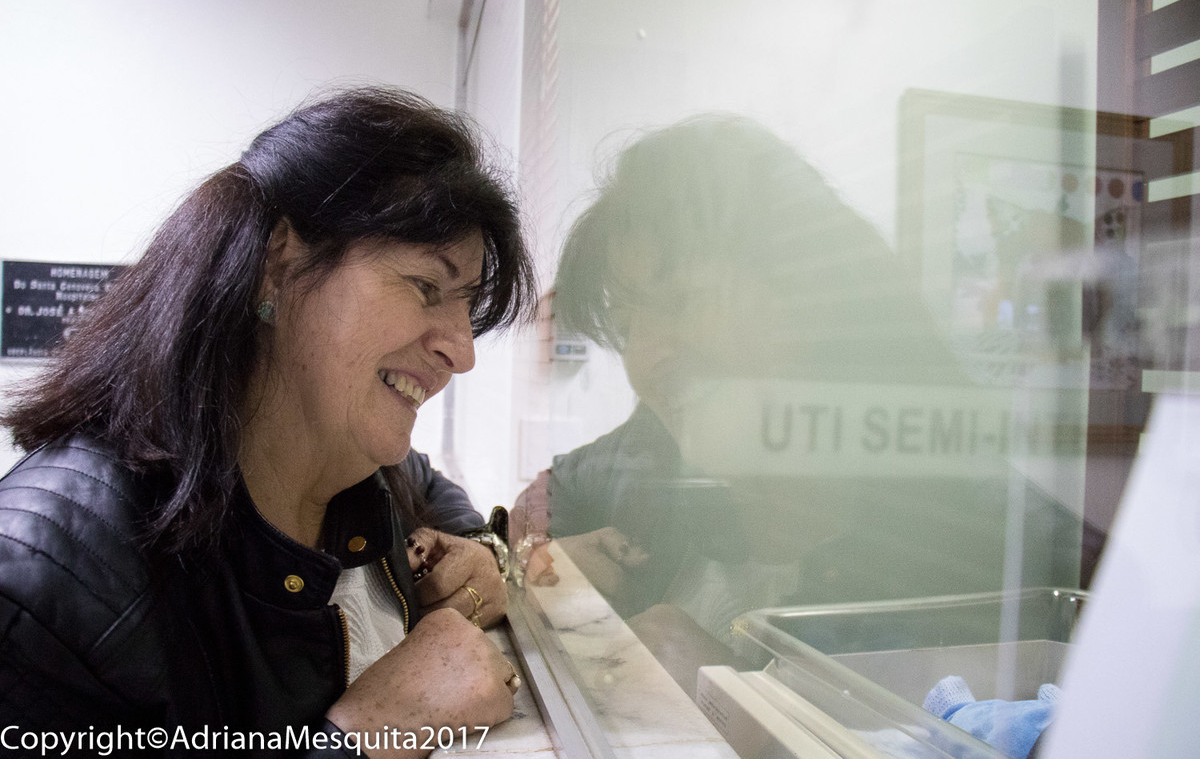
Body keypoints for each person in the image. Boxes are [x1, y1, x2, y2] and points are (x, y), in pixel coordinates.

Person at [0, 87, 536, 757]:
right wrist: (366, 735)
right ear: (276, 267)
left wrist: (485, 561)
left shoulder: (370, 472)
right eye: (426, 287)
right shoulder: (46, 583)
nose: (462, 351)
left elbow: (446, 508)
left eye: (465, 307)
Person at [510, 115, 1084, 696]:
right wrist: (530, 555)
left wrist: (743, 701)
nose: (648, 356)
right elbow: (559, 492)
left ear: (809, 296)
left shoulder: (1005, 549)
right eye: (629, 324)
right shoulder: (644, 467)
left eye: (681, 300)